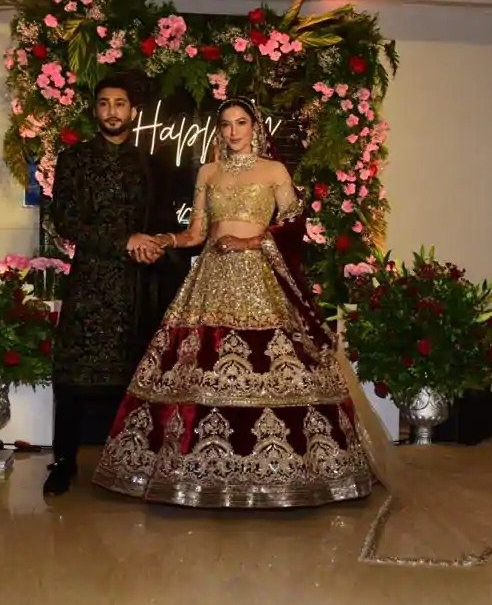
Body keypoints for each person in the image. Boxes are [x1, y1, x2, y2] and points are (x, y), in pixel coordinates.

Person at [92, 96, 373, 507]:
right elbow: (197, 233)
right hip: (210, 276)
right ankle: (197, 472)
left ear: (255, 127)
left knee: (275, 364)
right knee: (198, 369)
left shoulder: (273, 170)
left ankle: (290, 473)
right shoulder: (209, 171)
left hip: (260, 277)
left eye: (241, 122)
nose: (233, 131)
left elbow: (294, 225)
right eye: (225, 124)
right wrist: (166, 239)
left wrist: (252, 241)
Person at [44, 74, 164, 496]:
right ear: (95, 110)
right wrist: (123, 241)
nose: (112, 111)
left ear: (133, 111)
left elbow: (156, 221)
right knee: (73, 376)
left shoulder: (146, 163)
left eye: (120, 103)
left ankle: (129, 464)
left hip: (135, 284)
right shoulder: (75, 159)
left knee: (131, 375)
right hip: (91, 280)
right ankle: (64, 461)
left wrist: (152, 245)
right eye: (104, 103)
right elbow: (66, 220)